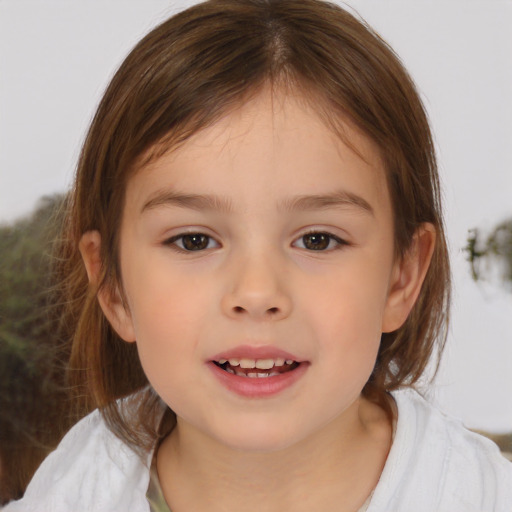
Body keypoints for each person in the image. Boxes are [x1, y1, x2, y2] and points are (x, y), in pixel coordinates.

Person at [4, 0, 511, 510]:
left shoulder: (481, 495)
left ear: (402, 276)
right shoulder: (74, 494)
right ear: (112, 287)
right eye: (193, 240)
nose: (257, 293)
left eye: (318, 240)